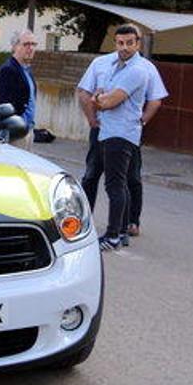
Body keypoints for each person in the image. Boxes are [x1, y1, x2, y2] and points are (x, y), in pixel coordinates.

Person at [77, 24, 167, 244]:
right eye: (120, 43)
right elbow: (83, 91)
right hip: (101, 129)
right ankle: (91, 225)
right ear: (115, 42)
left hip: (122, 132)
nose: (124, 47)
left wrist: (140, 121)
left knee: (125, 181)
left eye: (129, 43)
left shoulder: (141, 68)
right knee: (92, 176)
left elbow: (150, 100)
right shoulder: (102, 63)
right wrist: (92, 118)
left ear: (138, 43)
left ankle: (121, 229)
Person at [0, 29, 39, 148]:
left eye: (33, 44)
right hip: (16, 133)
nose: (31, 48)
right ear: (14, 46)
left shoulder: (26, 70)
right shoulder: (8, 70)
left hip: (28, 130)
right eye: (26, 44)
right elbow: (4, 104)